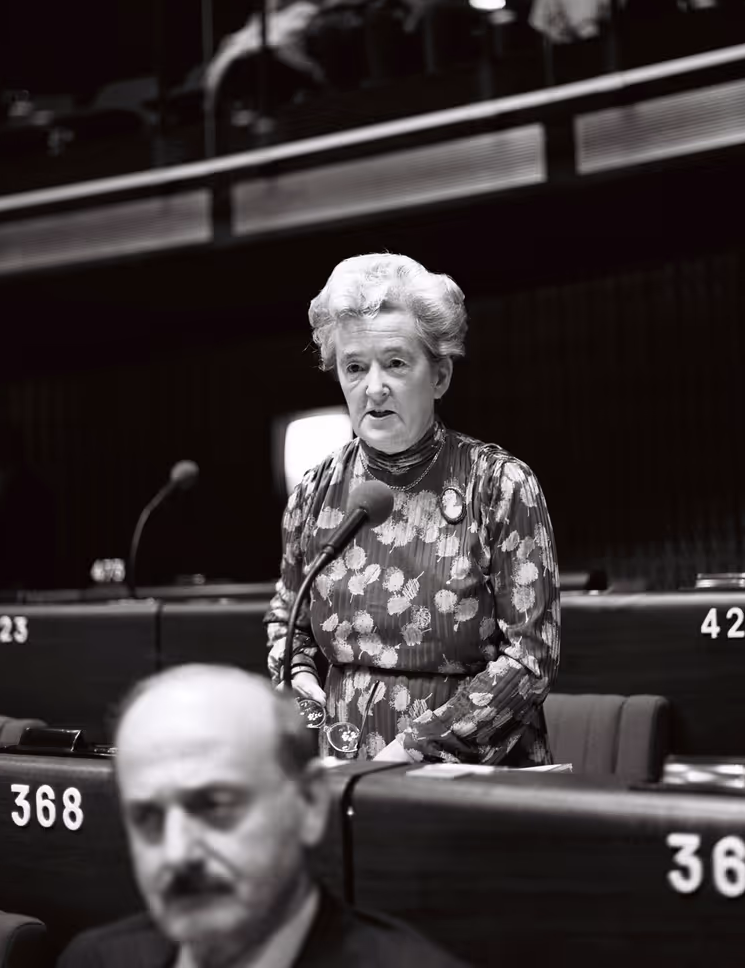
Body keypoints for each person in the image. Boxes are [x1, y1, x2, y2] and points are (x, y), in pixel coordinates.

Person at [265, 253, 561, 766]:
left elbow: (532, 657)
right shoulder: (314, 493)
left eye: (396, 363)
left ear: (440, 375)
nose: (373, 387)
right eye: (354, 367)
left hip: (467, 773)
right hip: (339, 769)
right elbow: (287, 622)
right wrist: (300, 677)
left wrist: (417, 746)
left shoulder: (499, 485)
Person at [57, 664, 469, 968]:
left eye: (216, 806)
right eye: (147, 817)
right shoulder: (93, 961)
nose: (177, 854)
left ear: (308, 804)